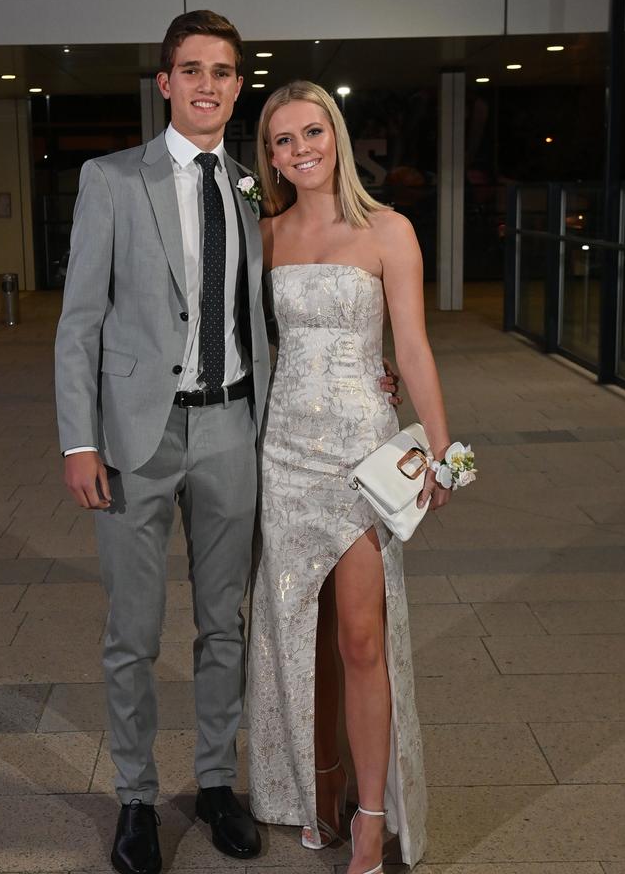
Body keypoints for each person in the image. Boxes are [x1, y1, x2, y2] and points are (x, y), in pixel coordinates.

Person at [54, 10, 271, 874]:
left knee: (226, 625)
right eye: (192, 70)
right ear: (165, 83)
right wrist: (79, 442)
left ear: (237, 84)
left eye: (223, 71)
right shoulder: (111, 180)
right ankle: (136, 800)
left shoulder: (255, 188)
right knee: (132, 633)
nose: (208, 85)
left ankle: (217, 784)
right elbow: (79, 324)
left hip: (231, 426)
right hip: (134, 439)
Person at [247, 80, 454, 874]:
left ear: (336, 135)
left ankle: (371, 814)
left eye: (311, 133)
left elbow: (413, 347)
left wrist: (441, 450)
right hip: (284, 456)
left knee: (360, 637)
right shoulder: (263, 235)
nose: (299, 151)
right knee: (302, 636)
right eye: (281, 140)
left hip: (361, 456)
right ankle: (318, 788)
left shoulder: (388, 230)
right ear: (267, 155)